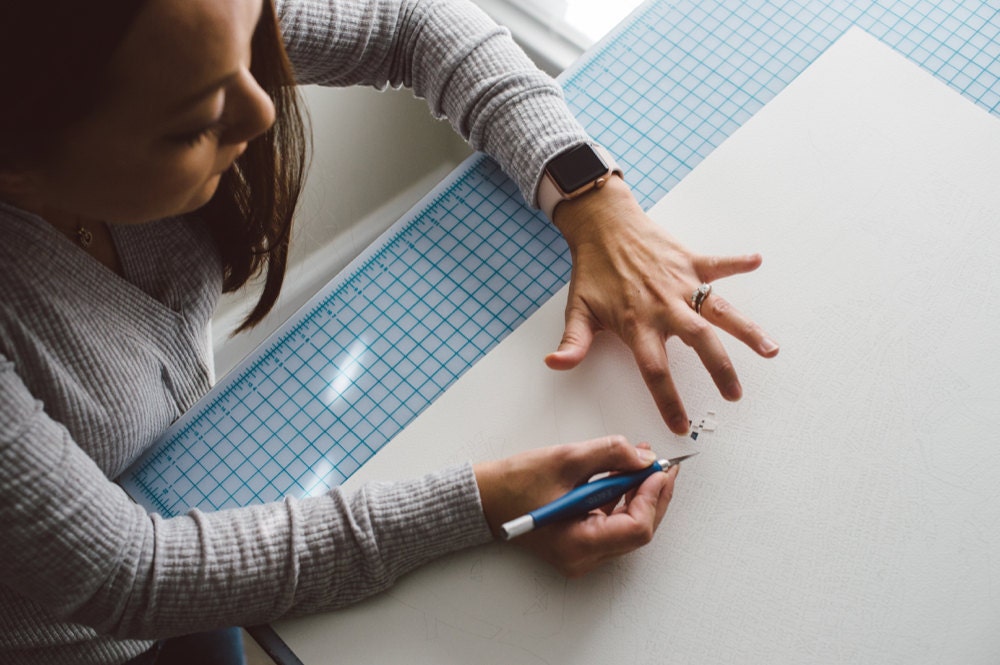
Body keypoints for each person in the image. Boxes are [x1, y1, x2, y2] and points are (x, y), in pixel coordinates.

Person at [0, 0, 779, 663]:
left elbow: (410, 20)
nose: (264, 108)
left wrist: (591, 199)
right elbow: (129, 576)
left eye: (255, 41)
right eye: (195, 123)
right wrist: (481, 502)